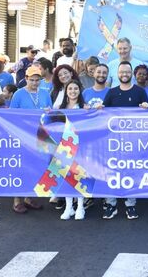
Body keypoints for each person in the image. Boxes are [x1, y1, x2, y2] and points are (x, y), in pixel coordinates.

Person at [100, 61, 148, 220]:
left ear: (131, 73)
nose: (124, 74)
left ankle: (130, 204)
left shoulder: (140, 92)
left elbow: (147, 115)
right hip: (113, 140)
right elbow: (102, 115)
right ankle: (111, 204)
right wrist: (97, 109)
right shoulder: (112, 92)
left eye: (127, 72)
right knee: (111, 170)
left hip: (132, 140)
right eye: (122, 72)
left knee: (131, 171)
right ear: (117, 74)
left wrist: (146, 108)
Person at [8, 66, 51, 214]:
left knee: (36, 167)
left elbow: (50, 113)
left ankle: (29, 197)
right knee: (21, 168)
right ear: (26, 79)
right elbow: (11, 116)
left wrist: (48, 112)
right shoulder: (19, 94)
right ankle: (17, 200)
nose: (34, 82)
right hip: (23, 136)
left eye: (37, 80)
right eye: (32, 80)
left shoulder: (45, 93)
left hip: (41, 136)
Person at [56, 80, 87, 220]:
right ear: (66, 91)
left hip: (80, 146)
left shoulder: (84, 107)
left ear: (79, 91)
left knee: (78, 176)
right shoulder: (60, 107)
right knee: (66, 177)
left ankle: (80, 207)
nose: (73, 91)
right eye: (70, 89)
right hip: (64, 146)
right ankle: (69, 207)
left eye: (75, 88)